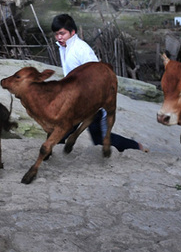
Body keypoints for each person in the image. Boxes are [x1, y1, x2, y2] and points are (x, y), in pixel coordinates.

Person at [51, 14, 146, 153]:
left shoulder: (81, 50)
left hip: (91, 103)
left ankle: (136, 147)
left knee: (99, 139)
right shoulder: (64, 48)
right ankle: (54, 156)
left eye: (62, 33)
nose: (59, 37)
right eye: (56, 34)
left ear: (72, 32)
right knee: (63, 131)